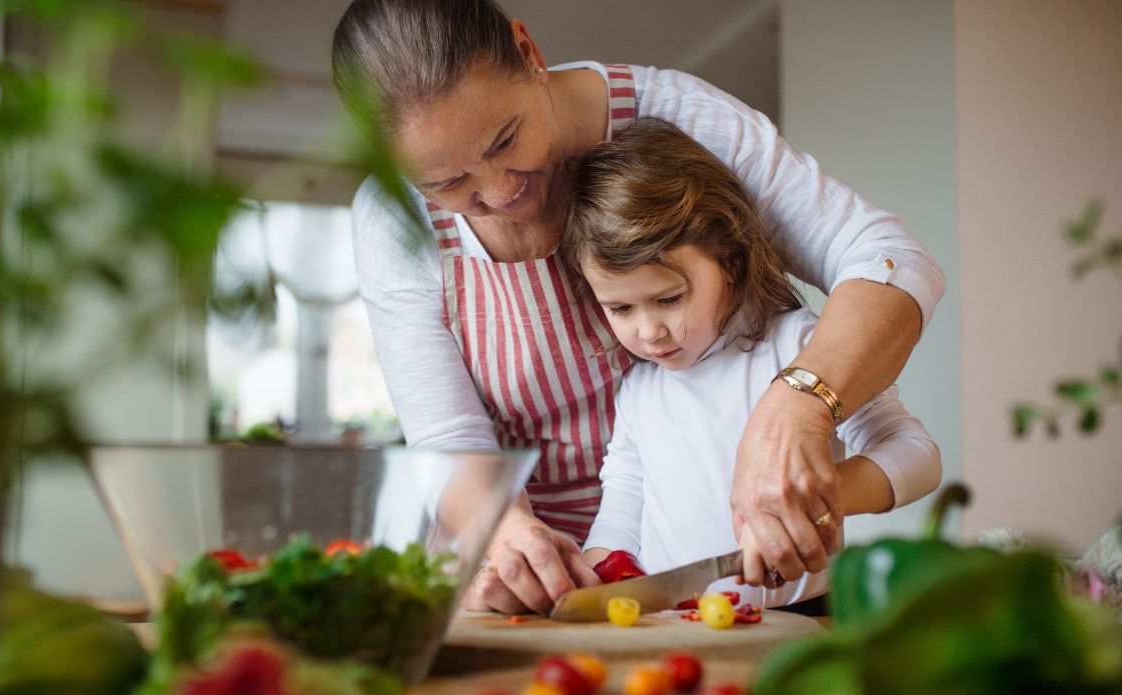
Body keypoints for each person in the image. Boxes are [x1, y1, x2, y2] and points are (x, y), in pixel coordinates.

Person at [332, 0, 946, 614]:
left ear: (528, 52)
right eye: (445, 184)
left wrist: (800, 404)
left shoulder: (681, 120)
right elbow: (449, 434)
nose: (499, 191)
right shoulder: (392, 220)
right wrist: (510, 535)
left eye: (506, 139)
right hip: (568, 578)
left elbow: (886, 257)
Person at [564, 119, 941, 607]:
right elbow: (623, 503)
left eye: (669, 298)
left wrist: (813, 502)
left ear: (730, 263)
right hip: (676, 625)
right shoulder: (640, 387)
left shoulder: (803, 349)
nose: (649, 331)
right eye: (621, 309)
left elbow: (917, 454)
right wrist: (597, 574)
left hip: (801, 619)